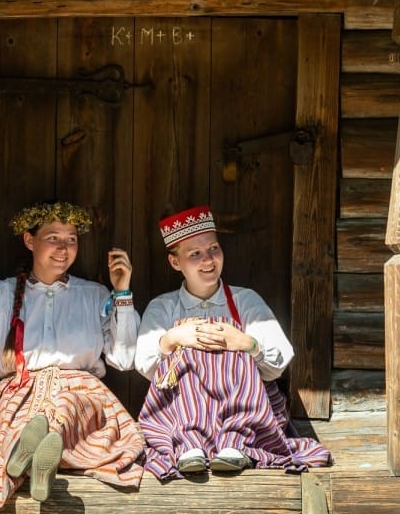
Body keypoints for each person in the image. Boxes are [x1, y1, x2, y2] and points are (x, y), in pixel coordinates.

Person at [0, 201, 144, 508]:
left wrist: (122, 293)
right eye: (53, 237)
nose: (64, 248)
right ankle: (29, 453)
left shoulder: (95, 296)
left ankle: (33, 453)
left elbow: (125, 358)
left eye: (72, 239)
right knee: (22, 421)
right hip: (18, 397)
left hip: (83, 400)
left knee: (63, 405)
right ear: (29, 240)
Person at [135, 205, 331, 479]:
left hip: (246, 413)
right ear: (175, 263)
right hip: (182, 413)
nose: (209, 260)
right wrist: (172, 339)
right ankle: (189, 445)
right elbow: (145, 366)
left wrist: (246, 344)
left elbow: (278, 364)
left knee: (235, 347)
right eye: (195, 254)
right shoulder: (164, 307)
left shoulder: (245, 300)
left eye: (214, 249)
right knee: (190, 351)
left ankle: (235, 443)